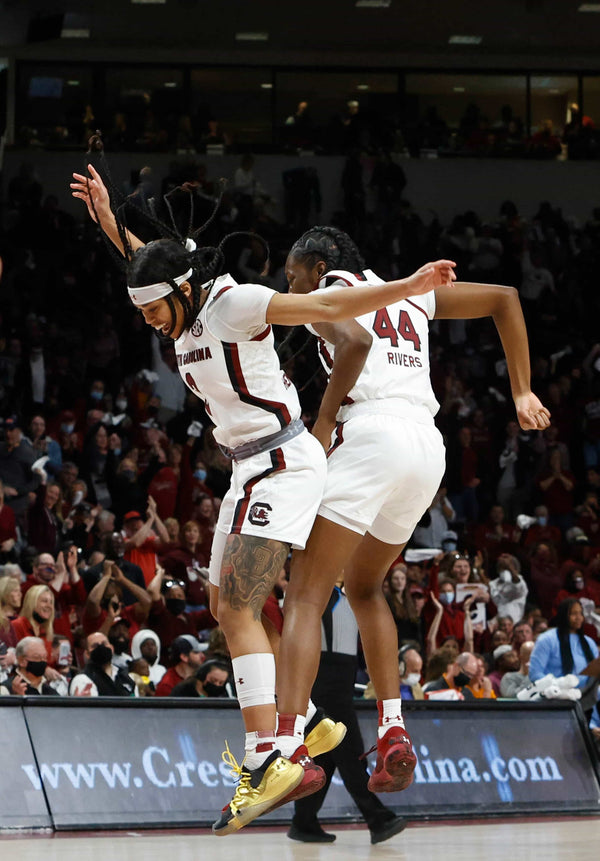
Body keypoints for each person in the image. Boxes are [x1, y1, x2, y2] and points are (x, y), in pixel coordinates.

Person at [71, 157, 456, 834]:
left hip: (284, 460)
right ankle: (304, 724)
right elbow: (148, 265)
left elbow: (328, 306)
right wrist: (109, 222)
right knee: (226, 603)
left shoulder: (232, 303)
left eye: (159, 308)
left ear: (184, 291)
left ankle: (272, 754)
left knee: (245, 603)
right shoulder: (176, 303)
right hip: (248, 467)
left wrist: (409, 284)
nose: (155, 322)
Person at [272, 224, 550, 806]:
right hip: (426, 447)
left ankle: (287, 747)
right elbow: (505, 298)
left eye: (293, 275)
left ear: (319, 267)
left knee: (304, 595)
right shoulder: (410, 290)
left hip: (369, 433)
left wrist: (322, 425)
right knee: (366, 587)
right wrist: (522, 391)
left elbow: (354, 344)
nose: (289, 285)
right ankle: (394, 727)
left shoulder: (334, 289)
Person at [529, 598, 599, 703]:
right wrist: (558, 685)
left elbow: (595, 674)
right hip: (554, 700)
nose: (578, 618)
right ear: (563, 615)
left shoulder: (589, 643)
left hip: (586, 699)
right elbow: (535, 673)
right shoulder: (546, 640)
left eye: (580, 613)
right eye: (573, 614)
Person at [69, 631, 136, 696]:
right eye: (95, 646)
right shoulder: (82, 679)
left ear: (112, 649)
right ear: (87, 654)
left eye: (104, 644)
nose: (101, 647)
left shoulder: (125, 676)